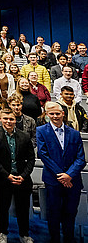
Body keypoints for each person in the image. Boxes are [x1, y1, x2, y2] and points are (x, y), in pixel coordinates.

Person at [36, 102, 86, 243]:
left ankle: (69, 238)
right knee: (54, 213)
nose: (55, 116)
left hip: (73, 181)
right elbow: (43, 155)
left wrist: (69, 175)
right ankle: (55, 239)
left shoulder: (75, 134)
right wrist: (62, 176)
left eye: (57, 113)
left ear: (63, 113)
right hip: (53, 181)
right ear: (47, 115)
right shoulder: (41, 131)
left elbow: (81, 158)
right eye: (51, 114)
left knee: (70, 212)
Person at [0, 109, 35, 243]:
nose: (8, 122)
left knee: (23, 208)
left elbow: (31, 159)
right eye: (6, 119)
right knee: (2, 207)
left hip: (22, 178)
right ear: (1, 119)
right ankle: (2, 232)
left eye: (11, 119)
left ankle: (24, 234)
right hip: (3, 178)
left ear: (16, 120)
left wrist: (24, 176)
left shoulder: (24, 136)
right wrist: (6, 175)